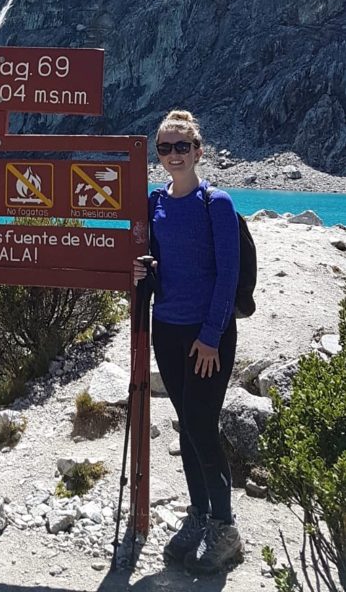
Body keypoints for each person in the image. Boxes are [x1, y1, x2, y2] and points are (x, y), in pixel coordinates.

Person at [134, 109, 243, 574]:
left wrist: (212, 336)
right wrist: (143, 272)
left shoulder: (215, 203)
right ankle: (199, 517)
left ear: (198, 151)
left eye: (182, 146)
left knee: (202, 426)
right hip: (168, 330)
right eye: (165, 147)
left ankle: (225, 527)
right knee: (185, 424)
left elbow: (228, 274)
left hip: (207, 336)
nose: (173, 154)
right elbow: (161, 264)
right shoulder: (155, 203)